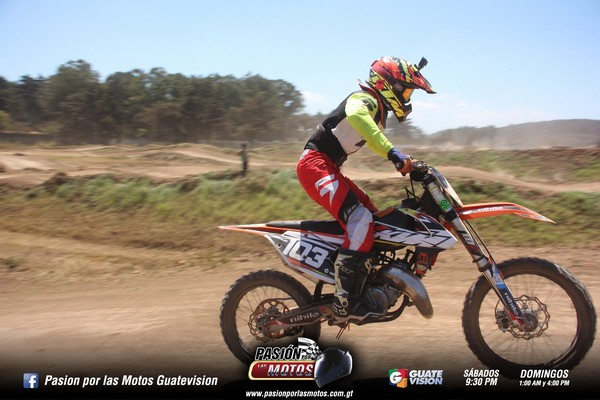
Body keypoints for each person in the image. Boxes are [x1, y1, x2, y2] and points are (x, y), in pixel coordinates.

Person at [296, 56, 436, 321]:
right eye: (406, 91)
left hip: (327, 167)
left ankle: (367, 283)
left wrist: (402, 159)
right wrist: (394, 153)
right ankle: (344, 300)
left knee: (372, 216)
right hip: (314, 166)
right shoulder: (364, 100)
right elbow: (357, 115)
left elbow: (371, 138)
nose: (407, 98)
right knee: (360, 219)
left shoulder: (374, 112)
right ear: (389, 85)